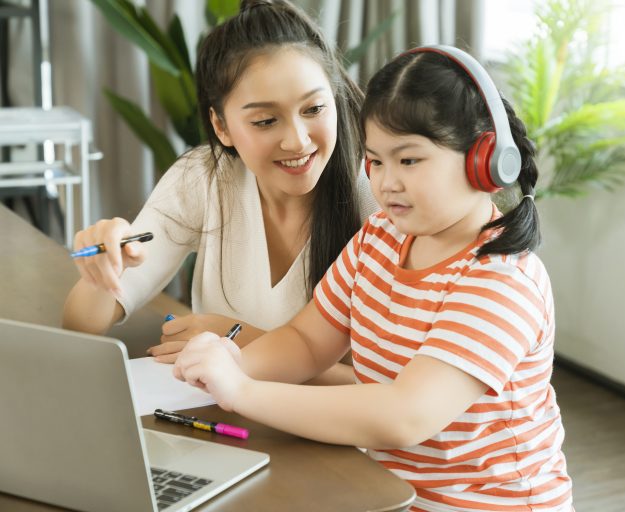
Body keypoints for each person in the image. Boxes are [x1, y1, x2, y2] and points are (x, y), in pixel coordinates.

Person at [173, 45, 573, 511]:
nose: (386, 183)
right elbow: (306, 341)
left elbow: (404, 416)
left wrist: (242, 391)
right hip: (391, 495)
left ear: (484, 159)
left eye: (409, 161)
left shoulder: (501, 281)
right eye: (376, 161)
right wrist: (224, 365)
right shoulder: (380, 237)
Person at [62, 0, 379, 380]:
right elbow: (81, 326)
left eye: (313, 110)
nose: (297, 141)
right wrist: (102, 273)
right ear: (221, 126)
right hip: (221, 422)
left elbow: (388, 389)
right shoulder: (203, 179)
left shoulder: (378, 197)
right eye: (265, 121)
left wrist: (235, 343)